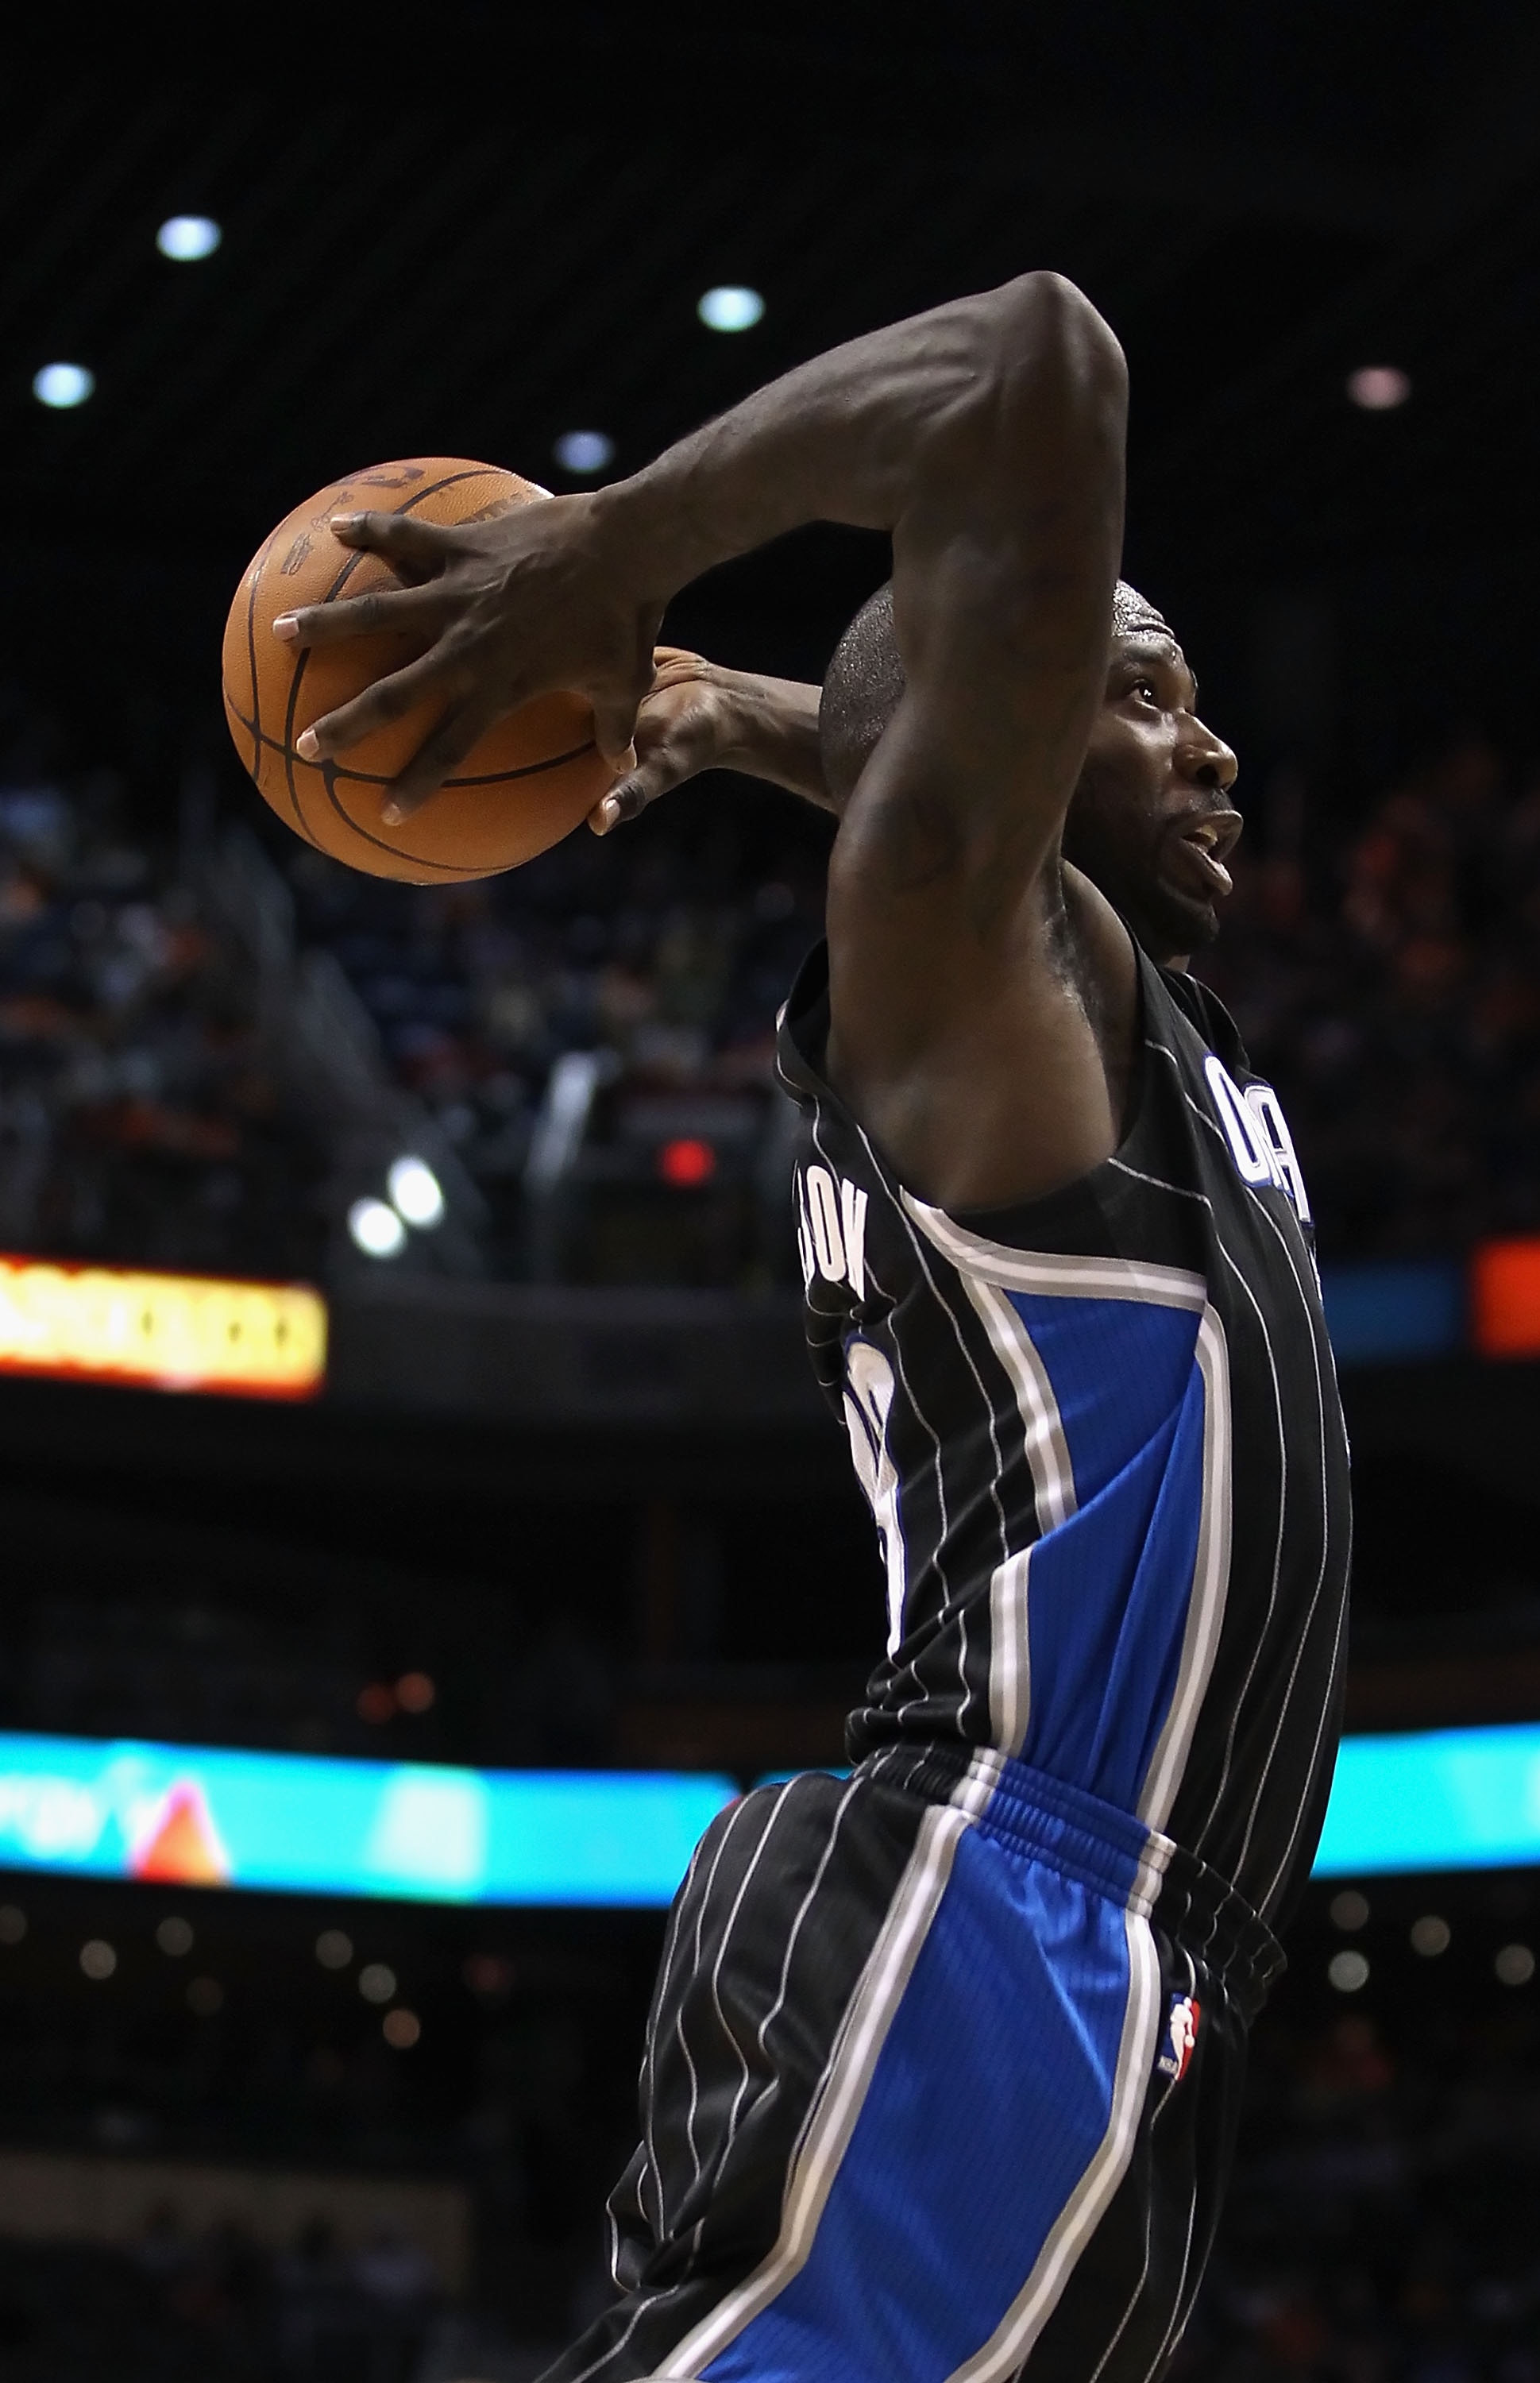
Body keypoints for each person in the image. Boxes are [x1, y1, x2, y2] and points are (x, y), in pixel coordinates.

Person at [276, 274, 1352, 2383]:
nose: (1214, 744)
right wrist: (611, 549)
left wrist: (715, 708)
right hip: (1006, 1900)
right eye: (1136, 690)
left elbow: (914, 768)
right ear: (1013, 738)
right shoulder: (979, 979)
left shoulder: (1076, 997)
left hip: (1101, 1947)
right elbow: (1041, 361)